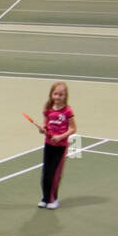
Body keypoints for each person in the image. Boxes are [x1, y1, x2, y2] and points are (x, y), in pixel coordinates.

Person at [31, 81, 76, 209]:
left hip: (60, 147)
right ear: (51, 94)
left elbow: (73, 128)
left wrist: (60, 137)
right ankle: (45, 198)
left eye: (61, 95)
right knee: (46, 173)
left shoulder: (67, 111)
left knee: (55, 174)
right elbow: (45, 125)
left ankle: (53, 199)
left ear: (65, 96)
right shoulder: (48, 109)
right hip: (48, 145)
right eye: (55, 94)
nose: (57, 97)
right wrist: (42, 129)